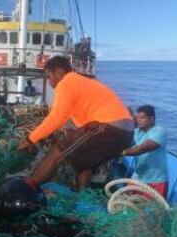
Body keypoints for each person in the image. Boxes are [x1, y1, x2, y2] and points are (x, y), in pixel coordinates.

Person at [18, 56, 133, 190]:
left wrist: (30, 139)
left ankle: (29, 186)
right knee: (84, 161)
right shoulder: (81, 82)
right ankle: (81, 197)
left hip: (110, 126)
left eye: (49, 76)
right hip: (126, 131)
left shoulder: (67, 82)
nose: (49, 82)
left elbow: (57, 117)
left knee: (58, 151)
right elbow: (72, 119)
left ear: (59, 72)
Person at [122, 105, 168, 197]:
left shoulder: (160, 131)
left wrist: (121, 153)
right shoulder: (136, 132)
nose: (139, 120)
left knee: (154, 209)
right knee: (126, 200)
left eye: (143, 118)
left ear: (152, 118)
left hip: (155, 180)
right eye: (138, 118)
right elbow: (123, 143)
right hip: (138, 177)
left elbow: (144, 148)